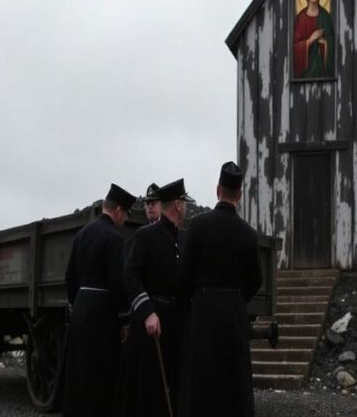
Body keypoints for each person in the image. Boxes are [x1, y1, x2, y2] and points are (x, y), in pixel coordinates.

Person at [177, 162, 263, 417]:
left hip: (203, 311)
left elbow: (184, 276)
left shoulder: (198, 226)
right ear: (239, 194)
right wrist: (237, 298)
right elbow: (255, 279)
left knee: (201, 379)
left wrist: (196, 300)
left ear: (217, 190)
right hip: (234, 312)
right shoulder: (248, 234)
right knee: (233, 379)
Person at [63, 183, 135, 416]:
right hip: (103, 313)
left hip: (81, 307)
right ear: (118, 211)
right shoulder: (114, 238)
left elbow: (69, 275)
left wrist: (78, 303)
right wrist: (125, 319)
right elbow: (118, 280)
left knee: (80, 372)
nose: (125, 220)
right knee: (102, 373)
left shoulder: (82, 233)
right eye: (126, 214)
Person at [121, 178, 192, 417]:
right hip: (152, 323)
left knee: (176, 385)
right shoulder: (146, 236)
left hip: (177, 323)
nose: (187, 208)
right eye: (185, 203)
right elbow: (131, 276)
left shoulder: (184, 239)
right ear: (179, 205)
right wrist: (148, 312)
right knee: (150, 390)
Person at [292, 0, 334, 78]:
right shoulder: (301, 18)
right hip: (305, 74)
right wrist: (310, 40)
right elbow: (294, 48)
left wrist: (325, 43)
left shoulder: (325, 17)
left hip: (321, 73)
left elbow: (332, 44)